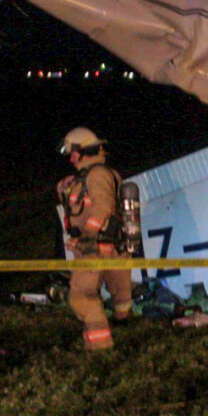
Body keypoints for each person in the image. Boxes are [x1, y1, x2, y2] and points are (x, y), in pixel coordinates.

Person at [56, 127, 133, 350]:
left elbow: (103, 208)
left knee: (82, 295)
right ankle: (123, 326)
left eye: (73, 153)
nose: (70, 158)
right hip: (110, 245)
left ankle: (100, 348)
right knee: (119, 293)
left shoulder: (97, 175)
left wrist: (88, 236)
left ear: (84, 151)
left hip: (94, 246)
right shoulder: (96, 174)